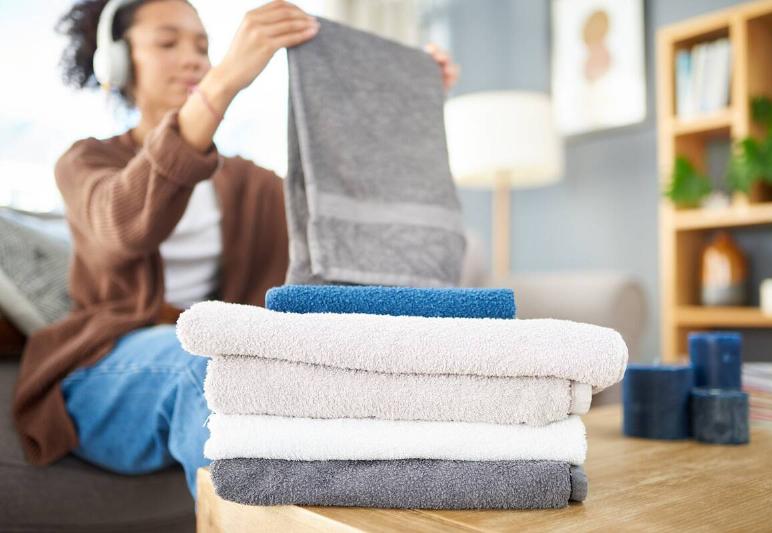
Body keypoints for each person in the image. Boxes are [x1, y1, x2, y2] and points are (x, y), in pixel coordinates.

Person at [11, 0, 460, 500]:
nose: (194, 59)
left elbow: (345, 217)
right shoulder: (86, 161)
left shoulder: (252, 184)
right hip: (103, 371)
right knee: (211, 371)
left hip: (221, 359)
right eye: (167, 42)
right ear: (116, 61)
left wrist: (406, 109)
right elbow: (125, 225)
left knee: (258, 371)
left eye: (204, 48)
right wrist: (221, 86)